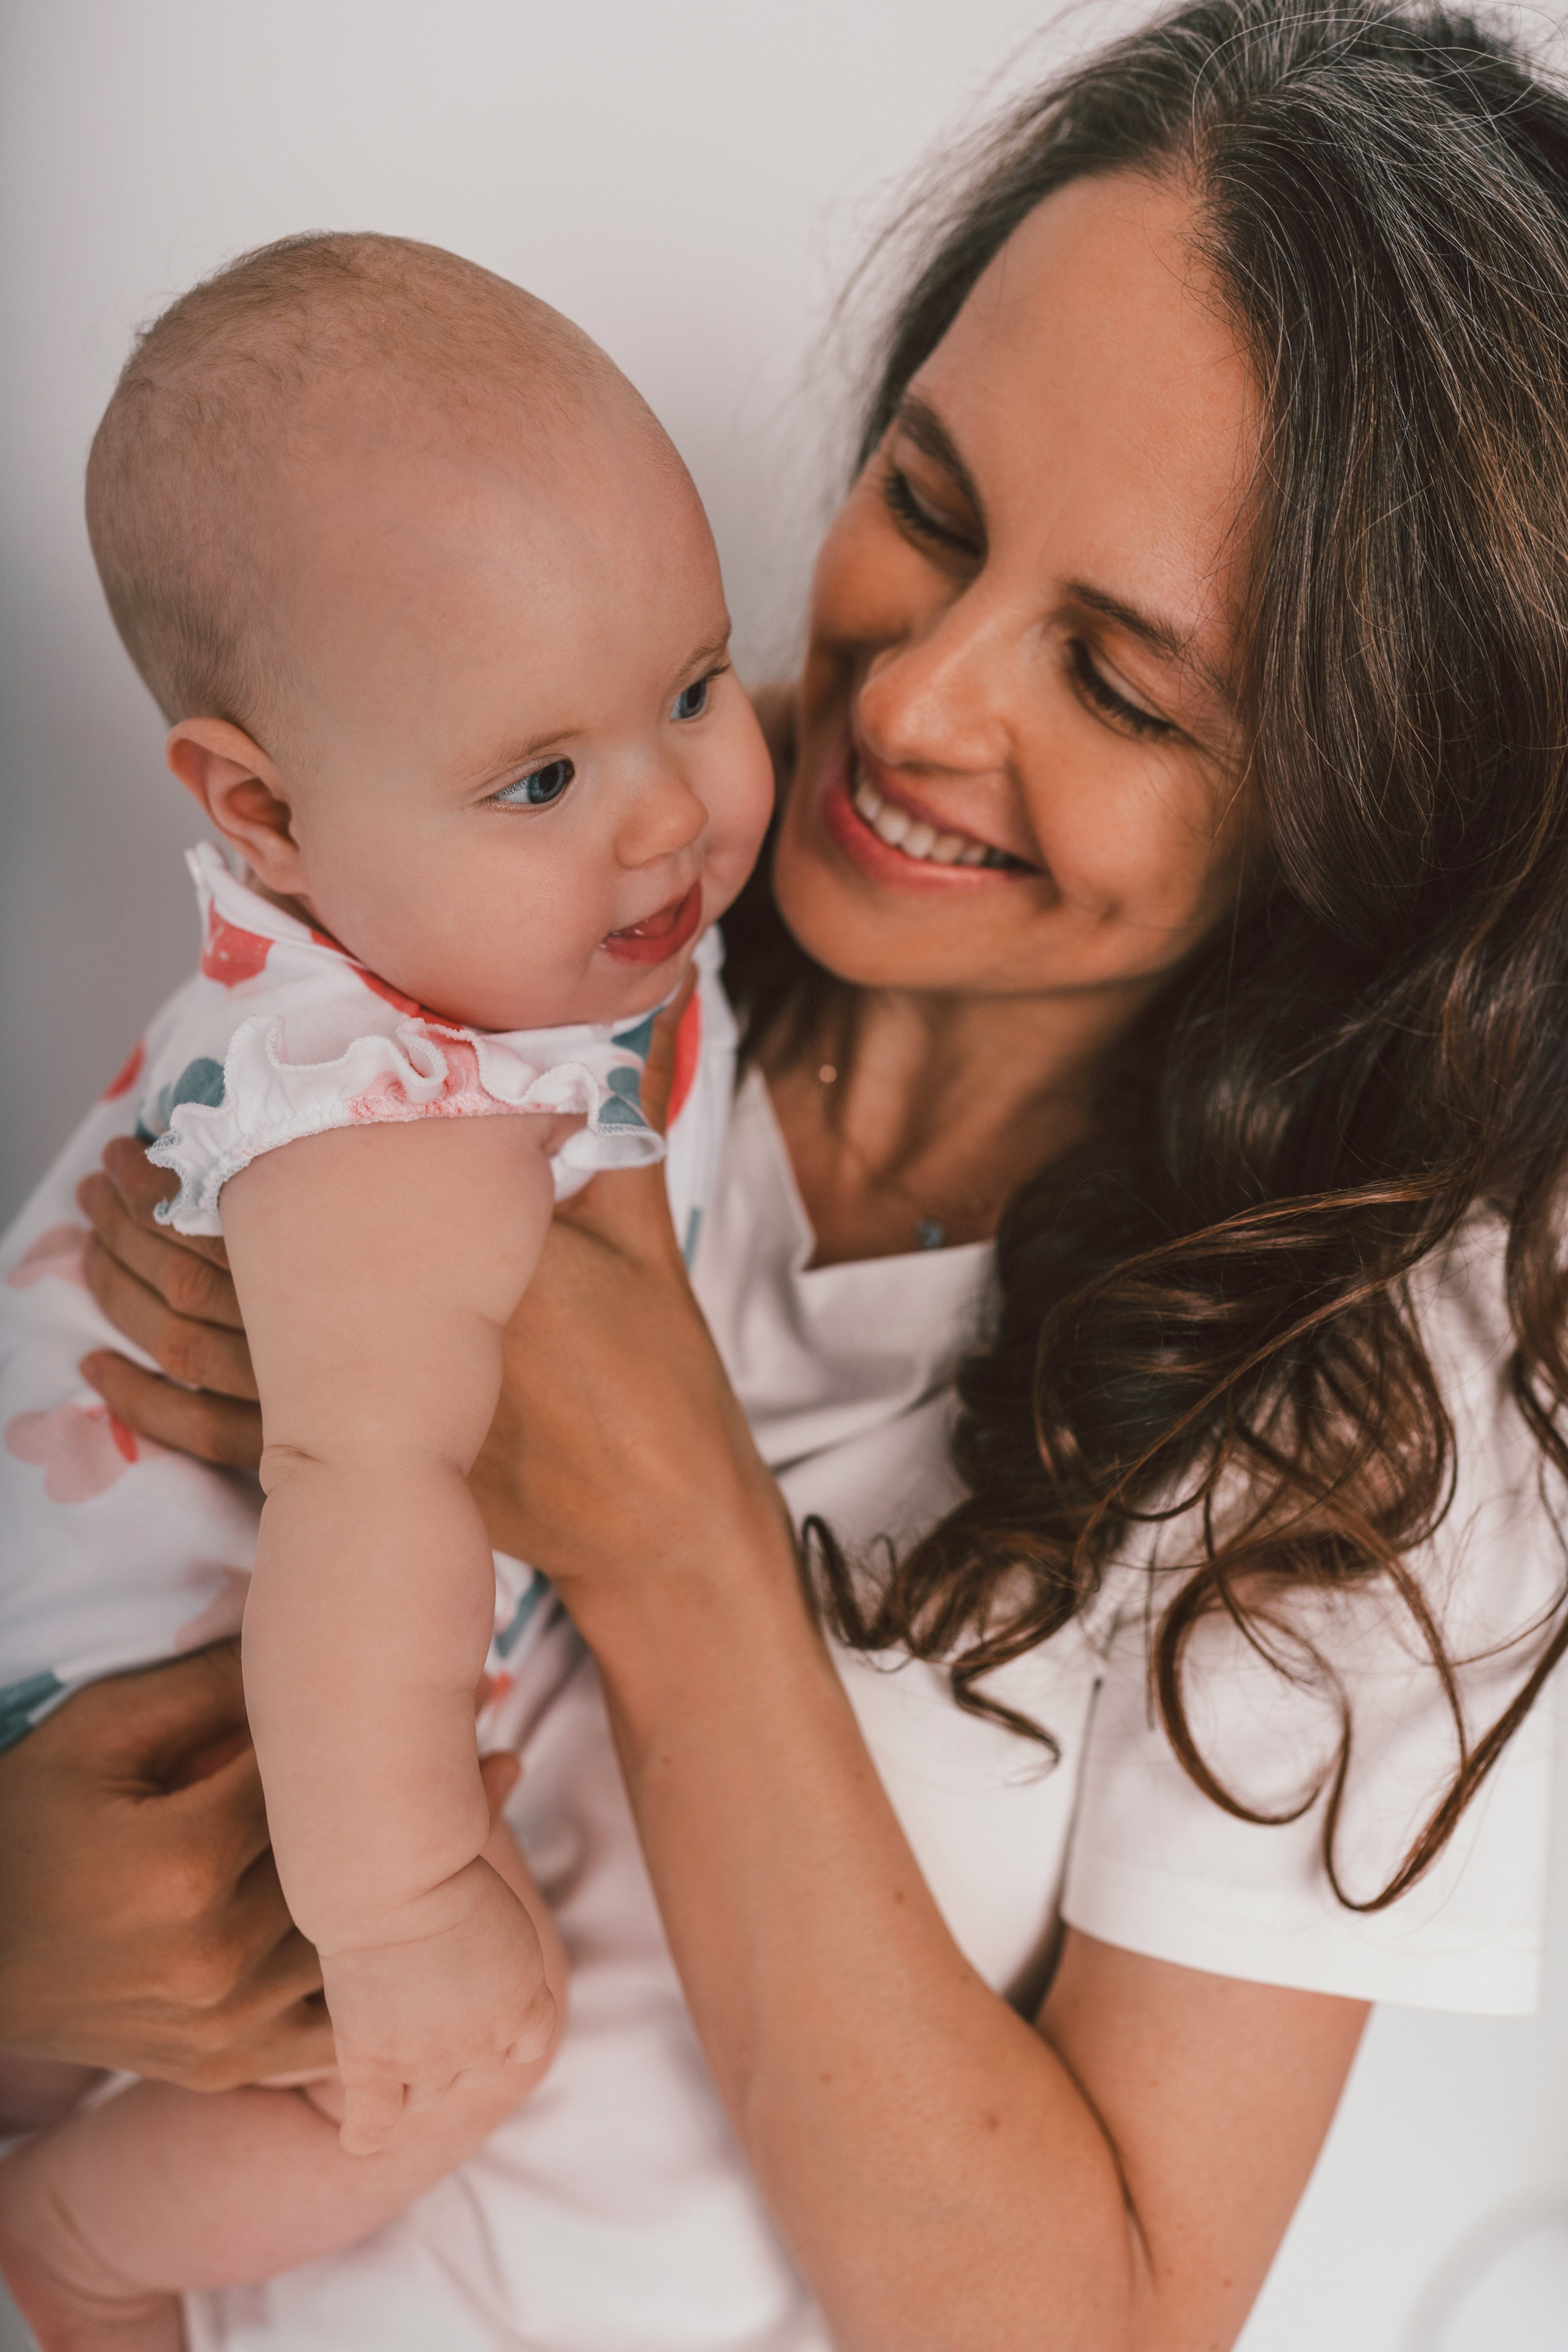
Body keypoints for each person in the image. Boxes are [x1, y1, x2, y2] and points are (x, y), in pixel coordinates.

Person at [4, 2, 1567, 2345]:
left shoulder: (1376, 1399)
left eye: (1124, 686)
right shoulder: (503, 879)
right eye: (925, 507)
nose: (912, 706)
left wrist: (666, 1526)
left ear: (1372, 803)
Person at [0, 235, 771, 2350]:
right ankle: (70, 2239)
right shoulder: (392, 1131)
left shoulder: (471, 930)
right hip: (177, 1762)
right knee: (460, 2042)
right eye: (542, 780)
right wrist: (411, 1912)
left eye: (694, 686)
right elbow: (356, 1502)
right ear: (263, 813)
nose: (670, 824)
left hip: (183, 1721)